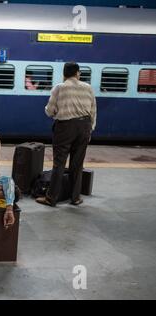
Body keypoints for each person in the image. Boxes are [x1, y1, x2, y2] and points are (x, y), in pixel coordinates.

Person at [36, 61, 97, 207]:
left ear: (64, 74)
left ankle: (51, 198)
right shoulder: (88, 88)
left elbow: (49, 111)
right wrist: (90, 129)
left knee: (59, 164)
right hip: (84, 126)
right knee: (77, 164)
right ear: (78, 73)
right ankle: (75, 198)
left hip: (65, 128)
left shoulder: (59, 88)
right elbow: (93, 110)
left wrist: (56, 111)